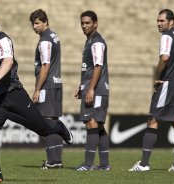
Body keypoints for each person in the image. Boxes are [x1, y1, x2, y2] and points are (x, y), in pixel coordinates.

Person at [0, 11, 73, 183]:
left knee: (42, 128)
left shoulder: (2, 40)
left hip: (13, 94)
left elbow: (8, 61)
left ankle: (59, 127)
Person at [129, 9, 174, 172]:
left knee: (153, 119)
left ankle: (144, 164)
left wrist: (156, 76)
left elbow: (164, 58)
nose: (159, 24)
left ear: (171, 22)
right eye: (157, 21)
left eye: (162, 21)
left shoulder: (167, 36)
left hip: (169, 83)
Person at [75, 10, 110, 171]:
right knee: (99, 126)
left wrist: (90, 89)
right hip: (94, 88)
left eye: (88, 23)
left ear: (95, 23)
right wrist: (82, 86)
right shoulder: (89, 41)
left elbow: (98, 66)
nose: (84, 26)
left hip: (97, 90)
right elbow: (89, 69)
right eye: (82, 23)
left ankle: (88, 164)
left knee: (92, 123)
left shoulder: (96, 42)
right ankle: (104, 165)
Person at [29, 9, 64, 169]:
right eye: (33, 24)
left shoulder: (44, 41)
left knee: (46, 121)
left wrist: (37, 89)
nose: (35, 26)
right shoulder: (54, 36)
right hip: (57, 84)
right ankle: (57, 160)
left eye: (37, 23)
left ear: (45, 22)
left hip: (47, 86)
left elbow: (45, 65)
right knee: (54, 121)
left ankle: (51, 161)